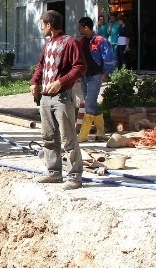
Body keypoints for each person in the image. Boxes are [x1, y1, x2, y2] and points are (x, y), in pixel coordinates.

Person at [29, 10, 87, 189]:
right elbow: (42, 65)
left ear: (49, 24)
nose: (40, 28)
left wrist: (61, 82)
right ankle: (54, 172)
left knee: (68, 138)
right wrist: (34, 81)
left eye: (42, 24)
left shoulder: (70, 42)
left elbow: (80, 67)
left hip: (62, 97)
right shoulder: (47, 44)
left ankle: (75, 176)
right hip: (46, 98)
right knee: (48, 137)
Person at [76, 17, 105, 141]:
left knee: (89, 103)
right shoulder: (81, 42)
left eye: (80, 27)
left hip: (95, 76)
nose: (79, 29)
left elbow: (108, 57)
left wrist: (104, 73)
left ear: (86, 27)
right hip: (84, 76)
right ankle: (101, 131)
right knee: (92, 104)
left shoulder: (100, 41)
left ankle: (83, 134)